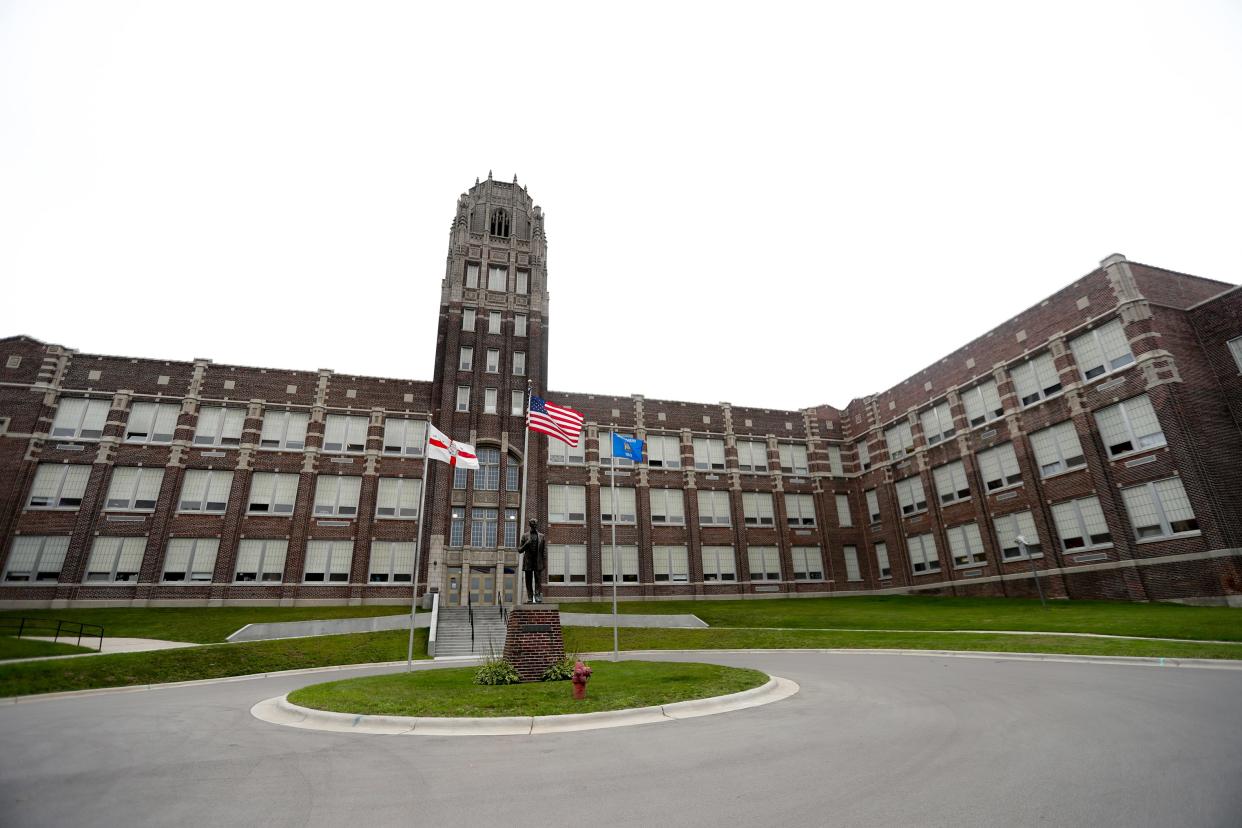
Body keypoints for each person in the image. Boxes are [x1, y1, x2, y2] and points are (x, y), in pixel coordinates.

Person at [519, 519, 547, 603]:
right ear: (530, 525)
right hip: (528, 561)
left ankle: (537, 596)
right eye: (533, 524)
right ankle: (530, 597)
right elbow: (519, 550)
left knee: (538, 580)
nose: (535, 525)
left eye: (535, 524)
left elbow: (544, 551)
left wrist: (544, 562)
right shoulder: (525, 536)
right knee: (528, 580)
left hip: (538, 561)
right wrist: (526, 544)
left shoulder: (542, 536)